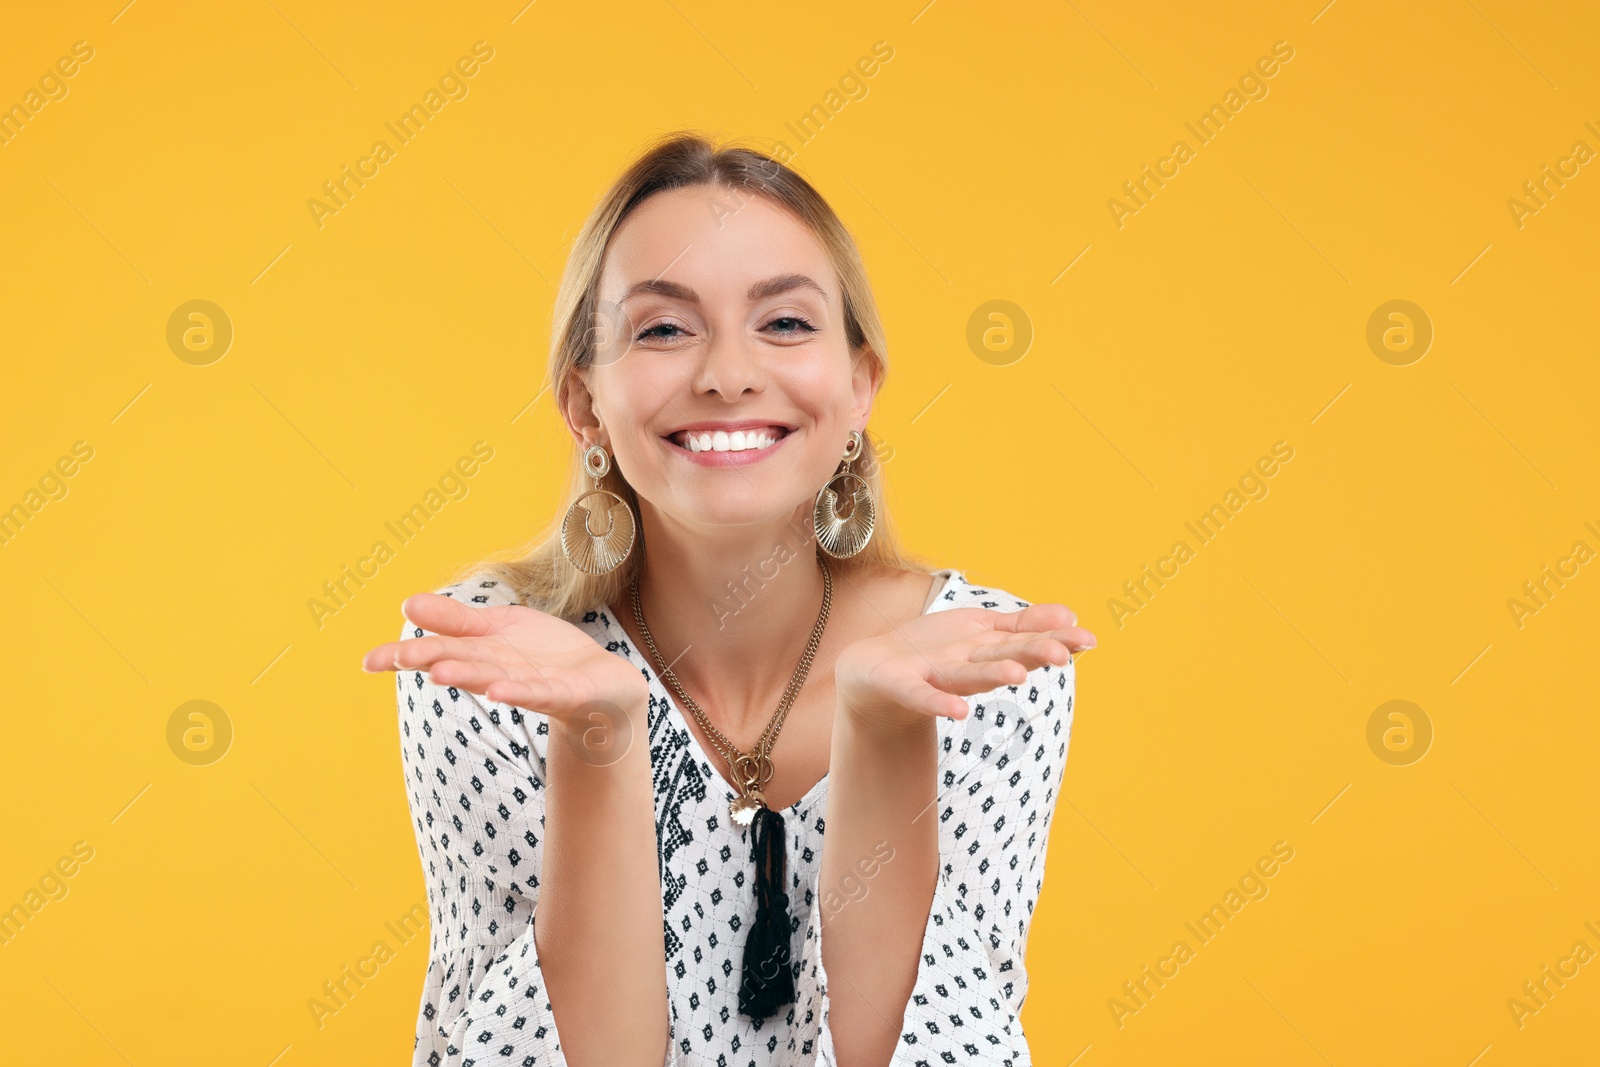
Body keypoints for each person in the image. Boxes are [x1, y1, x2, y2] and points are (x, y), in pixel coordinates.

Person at [361, 130, 1096, 1067]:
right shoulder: (491, 662)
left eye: (785, 323)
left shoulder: (984, 662)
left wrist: (882, 730)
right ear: (584, 401)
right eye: (665, 328)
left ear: (862, 385)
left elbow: (928, 1049)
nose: (727, 374)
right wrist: (601, 730)